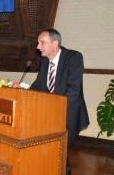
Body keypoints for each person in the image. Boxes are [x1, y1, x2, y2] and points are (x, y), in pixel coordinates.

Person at [31, 29, 89, 175]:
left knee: (57, 151)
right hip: (50, 117)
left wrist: (54, 109)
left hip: (69, 116)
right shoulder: (45, 62)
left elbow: (73, 91)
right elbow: (38, 85)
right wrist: (21, 91)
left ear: (55, 43)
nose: (38, 46)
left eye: (42, 42)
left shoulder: (74, 58)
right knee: (58, 155)